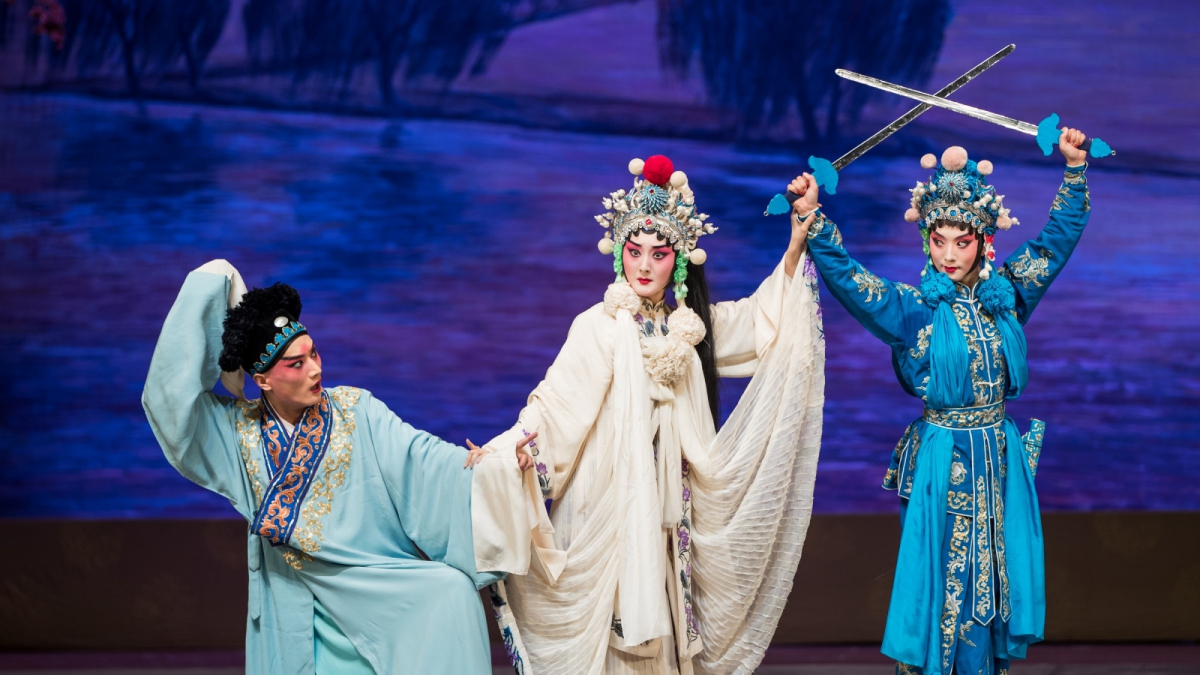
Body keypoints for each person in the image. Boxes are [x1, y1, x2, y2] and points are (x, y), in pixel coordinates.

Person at [467, 155, 827, 674]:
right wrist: (509, 452)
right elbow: (555, 405)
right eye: (634, 252)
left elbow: (763, 320)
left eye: (658, 255)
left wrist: (795, 241)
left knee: (665, 628)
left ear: (678, 261)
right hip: (607, 500)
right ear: (619, 254)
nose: (643, 265)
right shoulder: (597, 326)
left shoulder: (691, 329)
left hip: (669, 506)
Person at [792, 129, 1092, 675]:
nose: (949, 254)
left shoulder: (1007, 296)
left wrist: (1074, 170)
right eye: (939, 240)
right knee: (943, 583)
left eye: (962, 241)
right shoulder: (913, 310)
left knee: (993, 580)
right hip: (941, 460)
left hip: (998, 460)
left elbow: (1053, 246)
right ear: (926, 239)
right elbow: (852, 281)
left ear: (984, 241)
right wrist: (814, 216)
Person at [142, 260, 530, 674]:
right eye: (296, 364)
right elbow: (169, 401)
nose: (315, 369)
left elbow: (420, 458)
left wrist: (494, 470)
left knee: (450, 591)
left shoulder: (355, 409)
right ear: (262, 379)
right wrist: (208, 286)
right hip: (296, 598)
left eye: (314, 353)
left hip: (371, 585)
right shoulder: (237, 433)